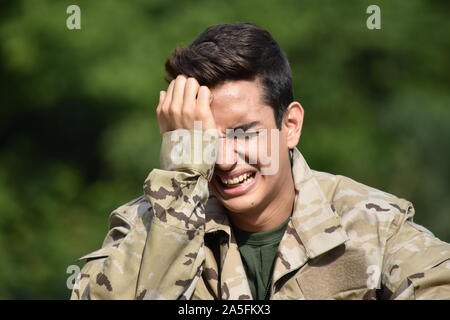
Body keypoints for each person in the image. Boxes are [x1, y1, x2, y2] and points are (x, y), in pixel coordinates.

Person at [71, 22, 450, 300]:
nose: (225, 160)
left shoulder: (375, 226)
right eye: (205, 140)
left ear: (290, 125)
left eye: (243, 133)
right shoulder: (151, 223)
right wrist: (184, 168)